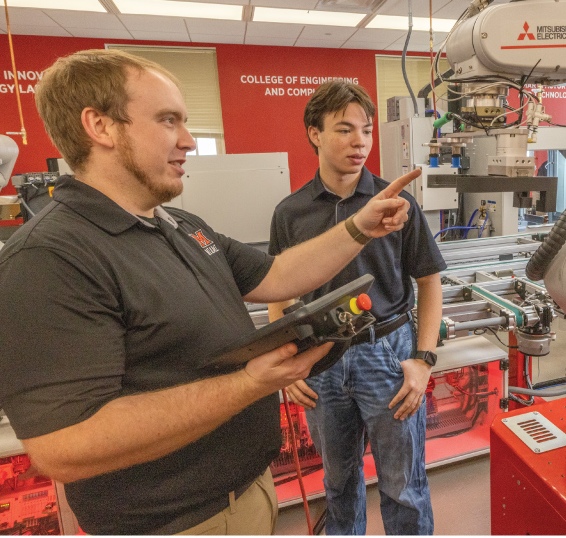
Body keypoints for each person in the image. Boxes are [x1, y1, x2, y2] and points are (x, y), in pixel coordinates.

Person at [0, 50, 420, 535]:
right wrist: (250, 383)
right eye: (167, 120)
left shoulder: (179, 225)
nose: (188, 141)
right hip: (173, 522)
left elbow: (278, 275)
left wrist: (359, 228)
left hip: (245, 494)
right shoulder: (50, 257)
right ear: (101, 127)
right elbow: (64, 446)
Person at [268, 81, 445, 535]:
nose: (360, 141)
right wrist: (289, 364)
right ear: (314, 134)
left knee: (403, 484)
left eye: (365, 130)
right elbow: (279, 293)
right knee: (339, 483)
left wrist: (423, 360)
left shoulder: (397, 203)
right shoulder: (291, 213)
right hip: (321, 359)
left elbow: (429, 283)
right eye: (344, 130)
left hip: (385, 353)